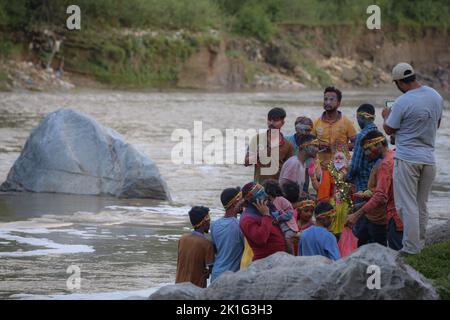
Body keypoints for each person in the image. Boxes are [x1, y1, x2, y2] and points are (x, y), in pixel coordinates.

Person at [382, 62, 443, 254]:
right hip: (429, 159)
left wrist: (385, 116)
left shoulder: (403, 101)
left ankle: (410, 248)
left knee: (406, 205)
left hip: (407, 159)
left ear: (400, 82)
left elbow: (389, 129)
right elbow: (437, 123)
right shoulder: (436, 96)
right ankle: (421, 245)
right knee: (421, 205)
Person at [345, 131, 394, 247]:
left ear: (379, 145)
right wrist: (360, 205)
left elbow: (381, 196)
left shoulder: (385, 164)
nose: (365, 154)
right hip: (374, 215)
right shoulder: (391, 158)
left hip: (380, 219)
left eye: (367, 149)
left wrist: (356, 215)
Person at [312, 86, 357, 202]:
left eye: (331, 99)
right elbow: (309, 144)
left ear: (338, 103)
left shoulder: (346, 122)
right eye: (325, 99)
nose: (327, 102)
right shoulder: (316, 122)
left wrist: (336, 147)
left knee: (339, 202)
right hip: (321, 170)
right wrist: (318, 145)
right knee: (324, 203)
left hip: (341, 169)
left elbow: (356, 144)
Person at [245, 107, 294, 184]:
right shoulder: (257, 139)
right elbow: (246, 162)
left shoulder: (288, 145)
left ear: (282, 122)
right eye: (269, 120)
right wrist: (258, 155)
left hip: (277, 188)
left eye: (275, 120)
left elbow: (290, 170)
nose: (271, 123)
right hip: (259, 186)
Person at [239, 182, 286, 261]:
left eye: (264, 191)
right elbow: (260, 239)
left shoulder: (264, 209)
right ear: (250, 198)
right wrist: (266, 215)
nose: (266, 195)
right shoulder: (247, 219)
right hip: (264, 262)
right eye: (261, 193)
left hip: (278, 259)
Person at [210, 188, 245, 282]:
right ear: (235, 203)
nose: (243, 203)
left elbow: (215, 249)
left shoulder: (214, 225)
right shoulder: (240, 226)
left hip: (215, 274)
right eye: (241, 200)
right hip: (230, 278)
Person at [175, 206, 215, 288]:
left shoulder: (182, 239)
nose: (210, 223)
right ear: (204, 222)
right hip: (196, 287)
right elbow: (212, 269)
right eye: (209, 221)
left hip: (179, 284)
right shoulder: (207, 244)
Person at [345, 104, 379, 194]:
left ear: (361, 117)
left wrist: (347, 177)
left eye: (357, 118)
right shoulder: (379, 134)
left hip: (362, 185)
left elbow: (355, 165)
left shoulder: (362, 136)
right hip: (376, 184)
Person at [263, 179, 299, 255]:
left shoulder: (281, 200)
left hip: (288, 228)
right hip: (280, 228)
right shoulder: (267, 204)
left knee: (287, 239)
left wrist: (278, 218)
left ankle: (291, 256)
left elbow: (290, 213)